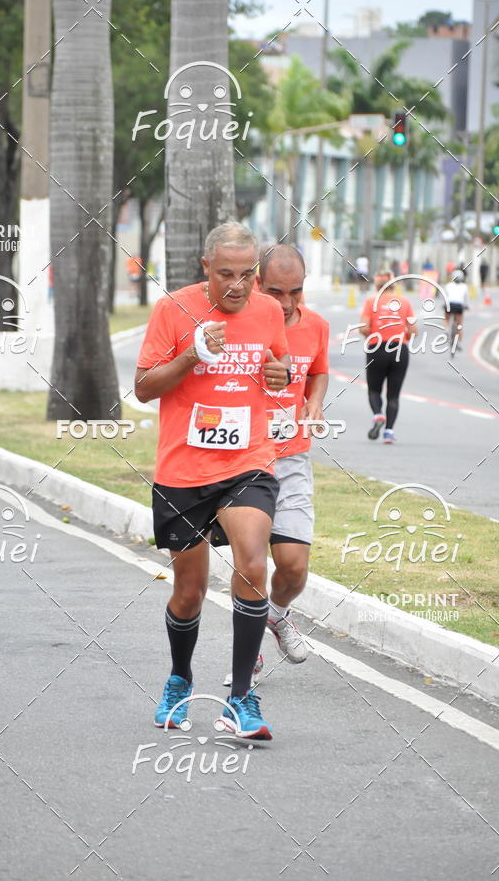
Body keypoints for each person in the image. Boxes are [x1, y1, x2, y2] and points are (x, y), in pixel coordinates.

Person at [135, 222, 290, 740]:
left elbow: (280, 363)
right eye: (226, 274)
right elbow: (142, 388)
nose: (237, 286)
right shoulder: (172, 310)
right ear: (206, 268)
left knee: (252, 562)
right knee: (189, 591)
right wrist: (191, 354)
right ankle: (180, 679)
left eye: (248, 275)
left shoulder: (268, 310)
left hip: (248, 461)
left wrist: (281, 375)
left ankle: (241, 698)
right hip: (183, 471)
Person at [217, 244, 329, 681]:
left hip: (293, 459)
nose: (286, 303)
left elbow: (318, 370)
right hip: (244, 462)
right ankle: (248, 658)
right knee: (252, 564)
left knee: (294, 567)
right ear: (257, 282)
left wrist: (315, 403)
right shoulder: (241, 322)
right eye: (276, 290)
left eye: (296, 292)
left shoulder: (316, 325)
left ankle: (276, 614)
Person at [360, 271, 417, 444]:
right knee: (393, 395)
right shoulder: (405, 302)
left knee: (374, 390)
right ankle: (389, 432)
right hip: (400, 349)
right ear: (394, 285)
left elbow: (363, 328)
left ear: (377, 285)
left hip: (377, 348)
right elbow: (414, 331)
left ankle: (378, 415)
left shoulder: (371, 301)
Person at [443, 269, 468, 351]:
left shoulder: (448, 285)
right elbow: (465, 300)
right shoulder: (464, 286)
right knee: (459, 324)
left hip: (449, 304)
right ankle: (459, 343)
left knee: (446, 319)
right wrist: (466, 306)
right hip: (459, 306)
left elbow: (445, 296)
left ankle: (446, 329)